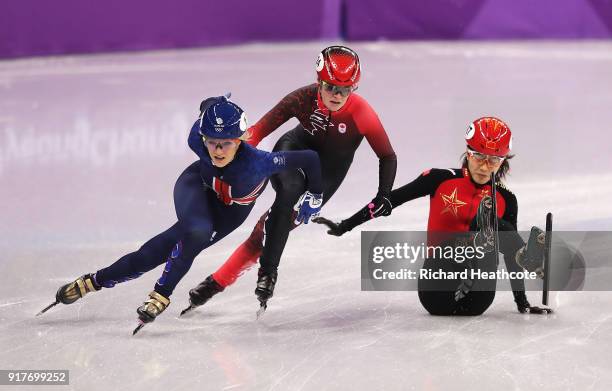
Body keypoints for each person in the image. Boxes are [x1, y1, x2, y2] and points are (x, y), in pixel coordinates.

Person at [38, 96, 324, 331]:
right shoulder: (196, 140)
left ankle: (93, 281)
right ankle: (161, 295)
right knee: (196, 232)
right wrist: (213, 102)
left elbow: (310, 159)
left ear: (241, 139)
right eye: (211, 141)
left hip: (228, 211)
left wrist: (316, 194)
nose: (218, 149)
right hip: (196, 186)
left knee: (157, 251)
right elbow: (206, 108)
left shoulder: (260, 163)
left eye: (226, 142)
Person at [184, 46, 397, 314]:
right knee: (289, 192)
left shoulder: (362, 113)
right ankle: (268, 274)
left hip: (330, 171)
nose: (337, 95)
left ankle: (215, 283)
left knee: (268, 229)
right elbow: (257, 131)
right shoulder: (302, 98)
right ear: (319, 81)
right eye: (331, 86)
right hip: (293, 150)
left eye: (345, 89)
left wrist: (384, 195)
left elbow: (387, 156)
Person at [315, 117, 552, 315]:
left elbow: (510, 253)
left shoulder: (507, 199)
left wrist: (522, 303)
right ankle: (525, 254)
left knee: (493, 227)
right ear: (467, 153)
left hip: (478, 299)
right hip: (437, 288)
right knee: (485, 220)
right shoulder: (440, 179)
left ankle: (526, 256)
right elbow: (389, 201)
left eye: (493, 160)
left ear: (502, 162)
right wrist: (345, 225)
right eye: (478, 156)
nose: (484, 166)